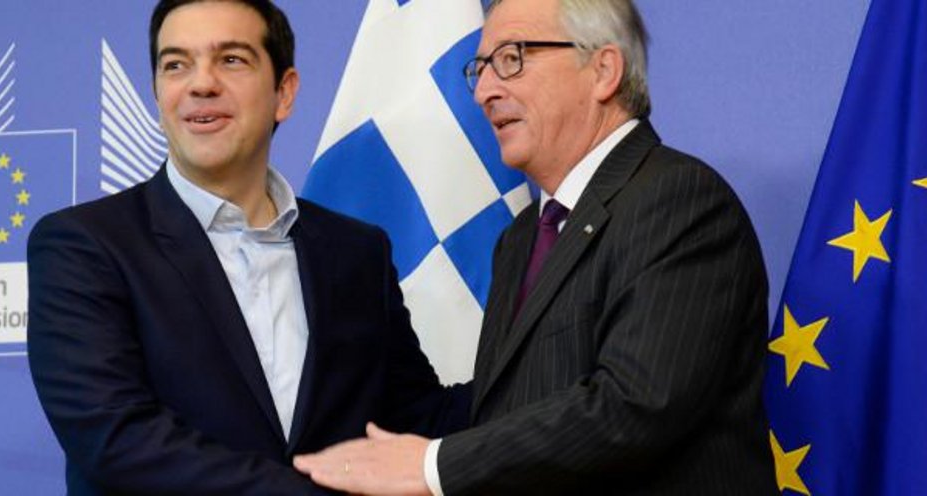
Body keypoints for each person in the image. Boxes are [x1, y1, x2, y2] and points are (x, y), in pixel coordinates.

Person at [293, 0, 778, 494]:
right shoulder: (522, 237)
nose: (483, 91)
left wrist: (431, 466)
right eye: (480, 68)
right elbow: (508, 407)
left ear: (603, 70)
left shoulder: (678, 200)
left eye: (511, 58)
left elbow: (636, 403)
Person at [26, 1, 467, 494]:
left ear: (284, 92)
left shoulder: (356, 252)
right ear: (157, 94)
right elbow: (117, 439)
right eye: (176, 65)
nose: (201, 84)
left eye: (231, 60)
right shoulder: (85, 245)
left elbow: (416, 418)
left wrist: (539, 388)